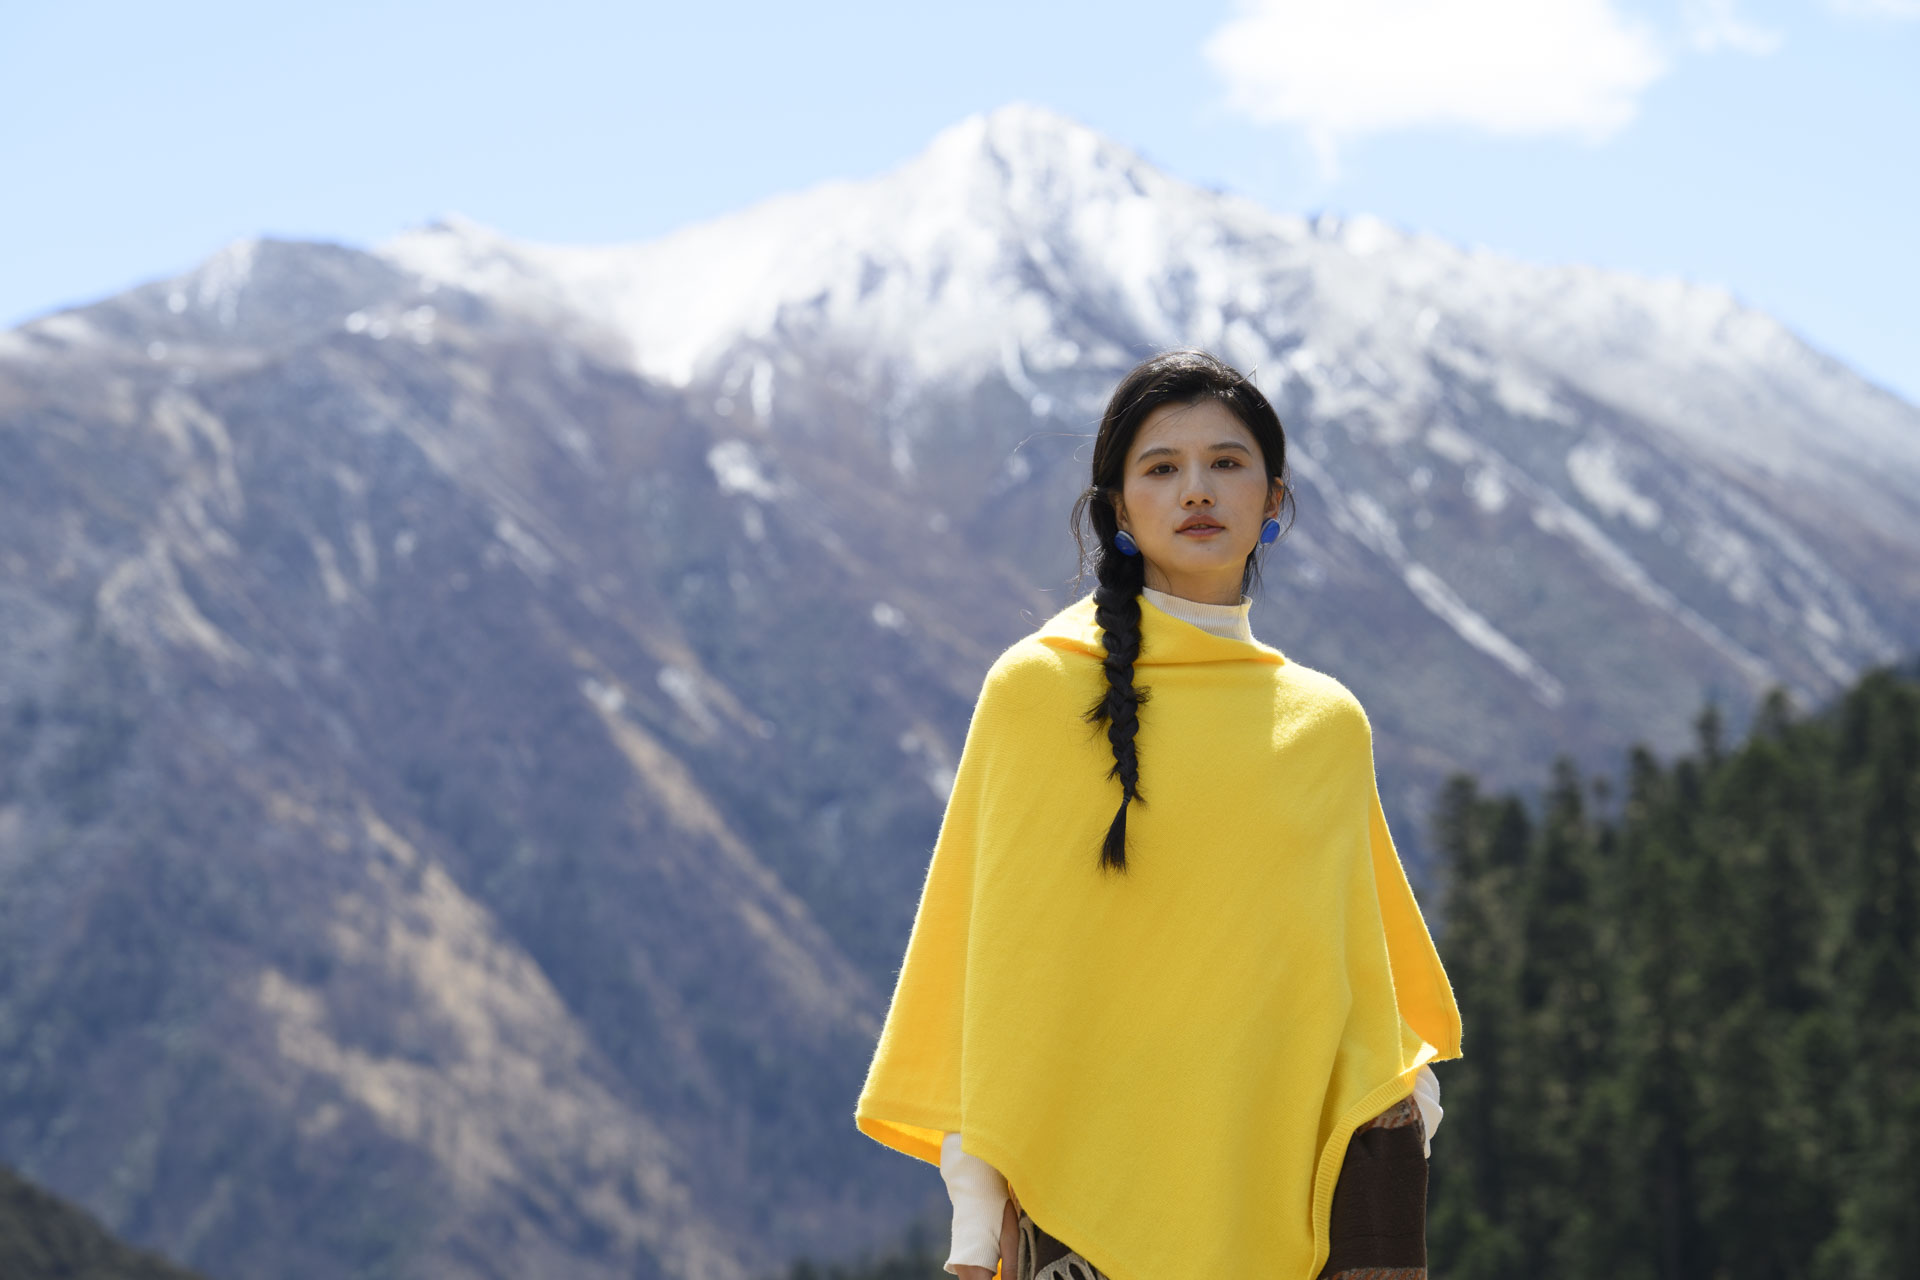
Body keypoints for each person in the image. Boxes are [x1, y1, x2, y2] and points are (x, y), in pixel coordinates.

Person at [854, 349, 1464, 1279]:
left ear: (1273, 499)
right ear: (1117, 509)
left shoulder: (1326, 724)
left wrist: (1396, 1126)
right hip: (1077, 1214)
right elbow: (997, 975)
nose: (1197, 491)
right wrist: (977, 1223)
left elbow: (1350, 993)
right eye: (1161, 468)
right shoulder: (1036, 691)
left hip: (1286, 1194)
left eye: (1227, 463)